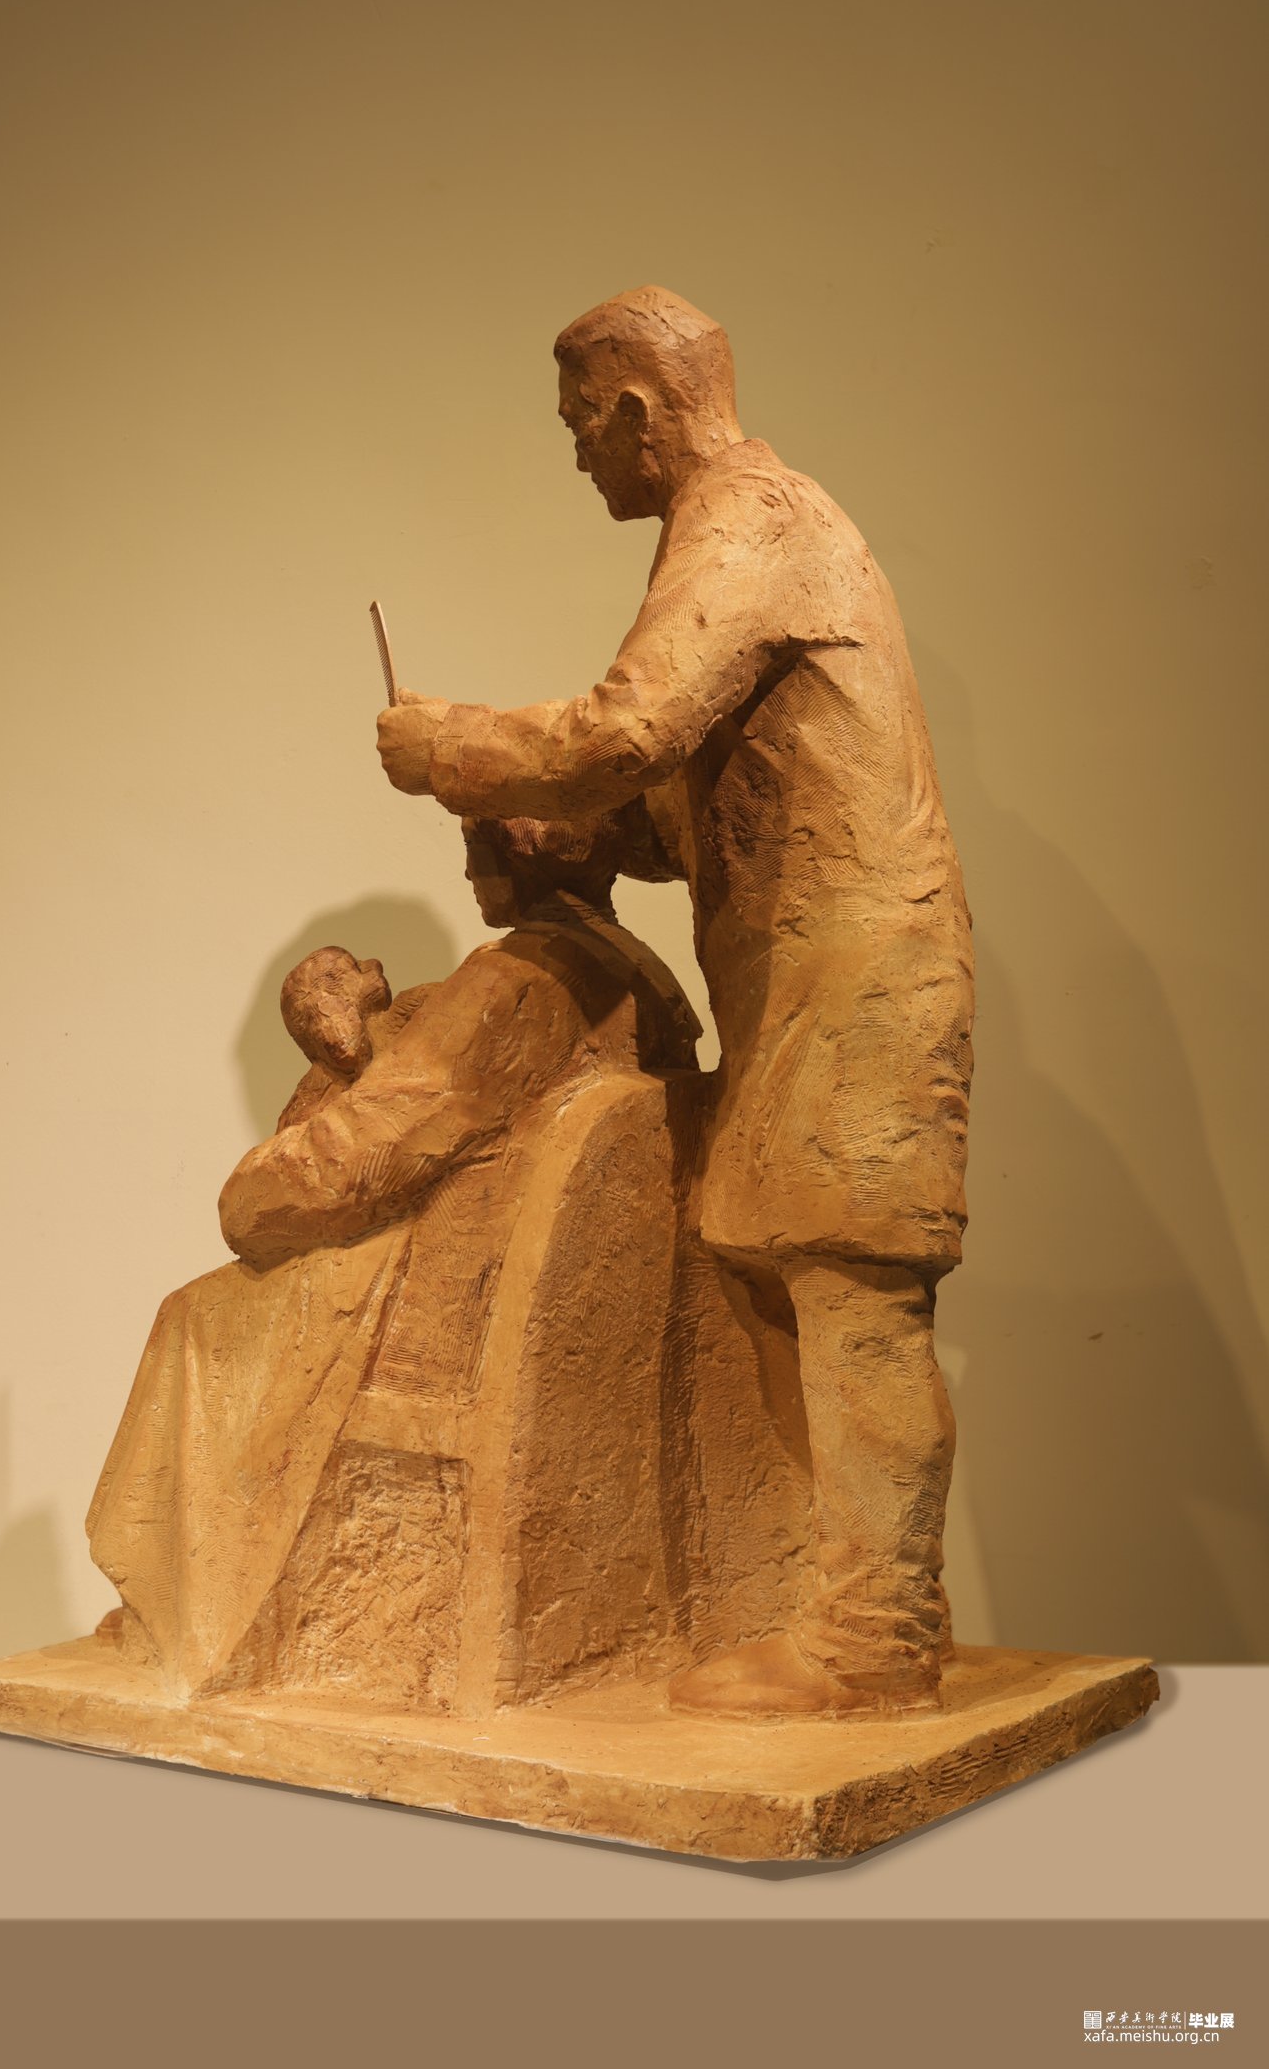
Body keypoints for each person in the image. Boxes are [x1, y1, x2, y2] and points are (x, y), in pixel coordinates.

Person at [376, 285, 975, 1715]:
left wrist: (452, 745)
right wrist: (570, 830)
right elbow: (690, 788)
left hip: (857, 971)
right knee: (796, 1281)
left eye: (580, 425)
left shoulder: (753, 524)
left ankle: (878, 1635)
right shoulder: (737, 532)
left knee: (851, 1293)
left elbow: (633, 724)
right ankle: (839, 1610)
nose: (578, 454)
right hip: (807, 977)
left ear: (637, 411)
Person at [87, 820, 698, 1698]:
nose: (468, 861)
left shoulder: (512, 981)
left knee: (192, 1317)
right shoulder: (643, 978)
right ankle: (201, 1595)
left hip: (439, 1285)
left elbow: (365, 1151)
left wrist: (246, 1196)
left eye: (479, 836)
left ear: (519, 850)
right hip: (521, 1278)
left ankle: (189, 1605)